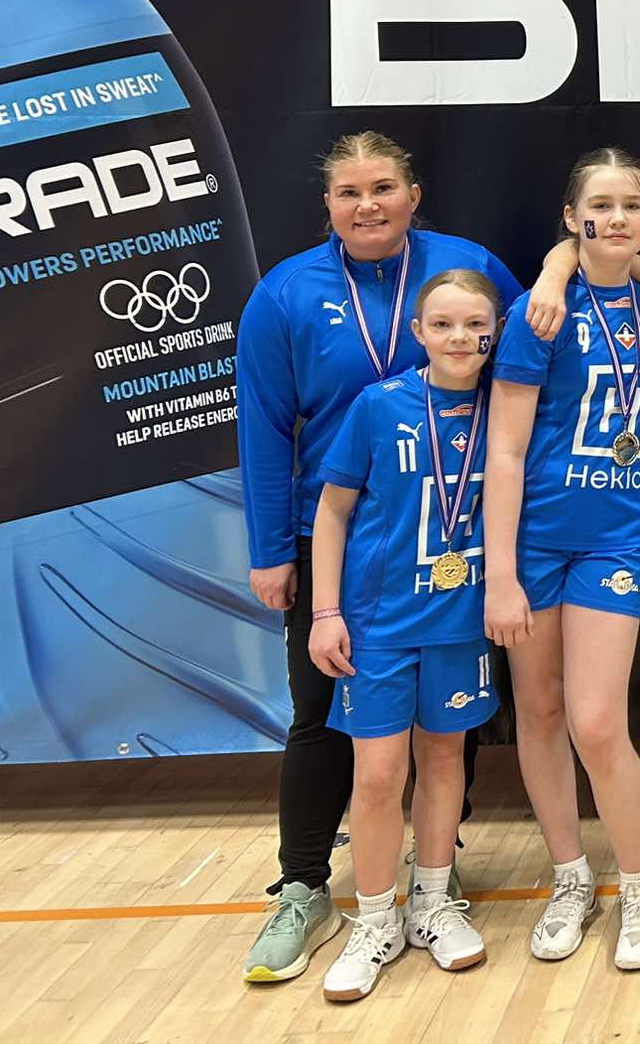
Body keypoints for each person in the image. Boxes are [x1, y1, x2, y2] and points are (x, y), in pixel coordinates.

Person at [235, 132, 542, 985]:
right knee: (322, 718)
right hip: (342, 542)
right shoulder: (286, 292)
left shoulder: (466, 267)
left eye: (382, 188)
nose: (366, 205)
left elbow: (537, 349)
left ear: (413, 195)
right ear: (327, 205)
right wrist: (272, 550)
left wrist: (634, 399)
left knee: (447, 735)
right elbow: (264, 425)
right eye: (348, 192)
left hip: (453, 541)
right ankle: (306, 887)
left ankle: (434, 882)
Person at [482, 148, 640, 971]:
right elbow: (504, 451)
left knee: (595, 721)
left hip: (613, 539)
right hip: (533, 541)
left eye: (631, 206)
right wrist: (499, 574)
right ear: (572, 216)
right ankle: (571, 877)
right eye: (601, 205)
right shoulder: (541, 309)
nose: (616, 218)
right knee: (540, 714)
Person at [305, 270, 502, 1002]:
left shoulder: (509, 407)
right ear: (418, 332)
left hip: (461, 623)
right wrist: (326, 612)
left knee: (445, 762)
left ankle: (433, 902)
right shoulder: (378, 405)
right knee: (379, 775)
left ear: (494, 334)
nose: (459, 337)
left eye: (475, 325)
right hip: (379, 624)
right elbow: (332, 511)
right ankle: (374, 919)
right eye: (442, 324)